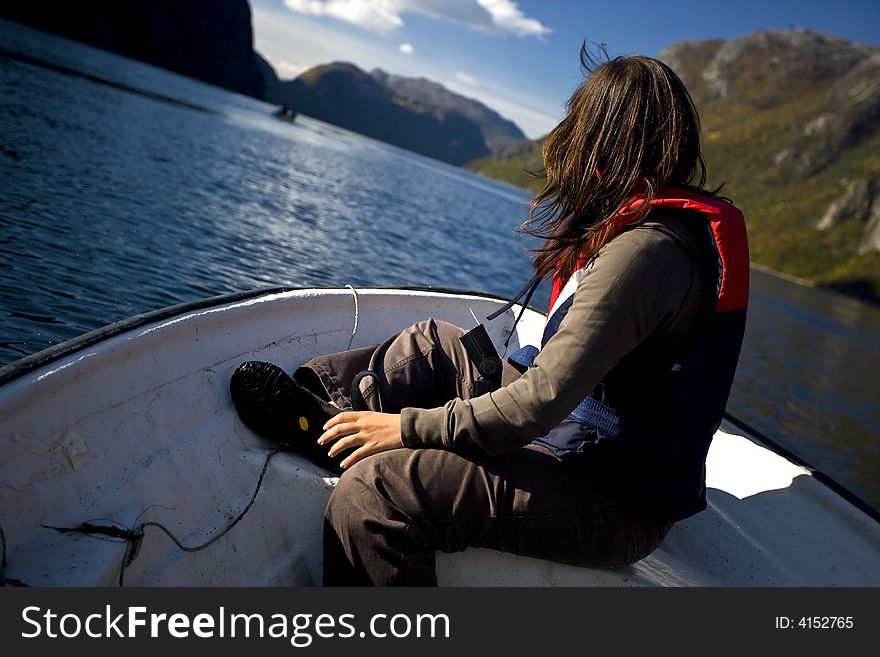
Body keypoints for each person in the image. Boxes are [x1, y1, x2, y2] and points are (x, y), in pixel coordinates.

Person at [229, 46, 749, 586]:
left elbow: (538, 404)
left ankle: (360, 444)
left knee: (375, 496)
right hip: (582, 439)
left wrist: (406, 429)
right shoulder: (650, 236)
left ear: (601, 143)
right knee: (435, 343)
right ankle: (329, 422)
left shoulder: (646, 255)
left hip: (610, 499)